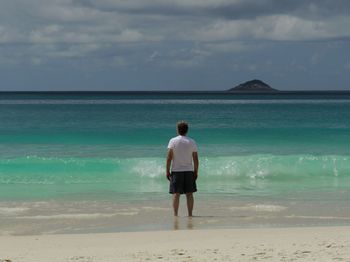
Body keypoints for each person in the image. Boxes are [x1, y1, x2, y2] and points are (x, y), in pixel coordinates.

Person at [166, 121, 199, 217]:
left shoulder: (173, 141)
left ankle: (176, 215)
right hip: (189, 170)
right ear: (187, 130)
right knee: (189, 194)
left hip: (176, 171)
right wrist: (196, 171)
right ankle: (190, 214)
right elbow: (195, 159)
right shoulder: (192, 141)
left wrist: (167, 171)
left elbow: (169, 157)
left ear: (177, 130)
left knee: (176, 194)